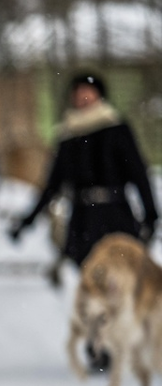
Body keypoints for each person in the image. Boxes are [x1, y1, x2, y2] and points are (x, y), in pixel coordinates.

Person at [9, 73, 157, 265]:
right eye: (79, 92)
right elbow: (53, 185)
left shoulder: (116, 129)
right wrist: (27, 221)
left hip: (116, 216)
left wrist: (151, 216)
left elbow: (139, 174)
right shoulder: (68, 135)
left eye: (88, 92)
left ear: (99, 95)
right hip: (83, 221)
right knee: (91, 283)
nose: (83, 97)